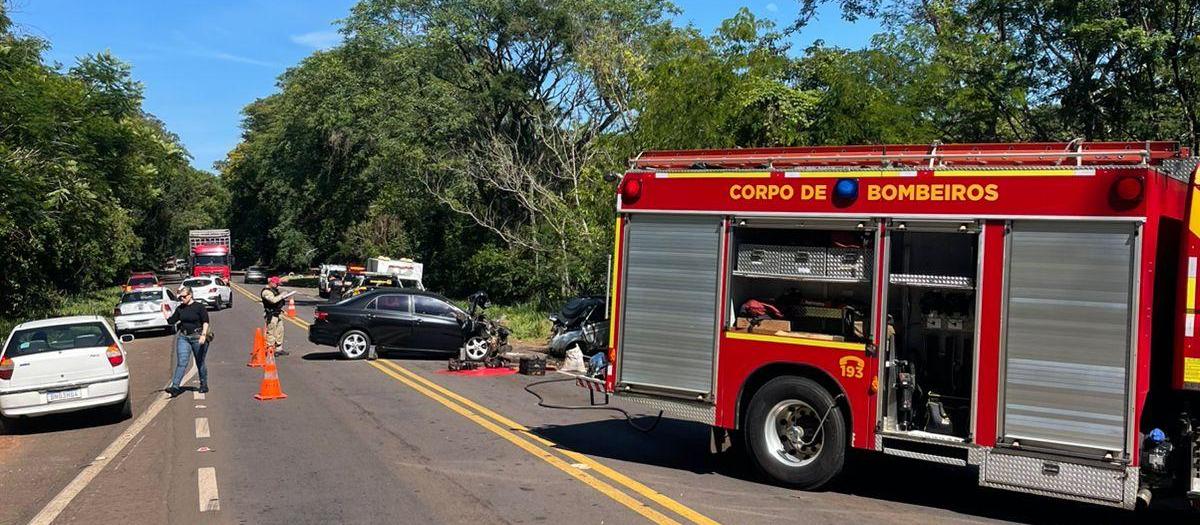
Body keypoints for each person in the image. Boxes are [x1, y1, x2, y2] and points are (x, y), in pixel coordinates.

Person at [164, 285, 210, 396]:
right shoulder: (180, 308)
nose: (182, 299)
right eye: (180, 297)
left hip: (197, 336)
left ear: (190, 295)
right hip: (184, 337)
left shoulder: (199, 307)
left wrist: (203, 335)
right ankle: (175, 387)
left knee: (200, 362)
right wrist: (165, 312)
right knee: (182, 362)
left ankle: (203, 385)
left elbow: (205, 321)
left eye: (184, 296)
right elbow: (171, 321)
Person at [261, 276, 293, 356]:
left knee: (280, 331)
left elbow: (278, 301)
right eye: (276, 284)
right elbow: (273, 300)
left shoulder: (274, 290)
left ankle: (279, 349)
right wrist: (282, 295)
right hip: (271, 314)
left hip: (278, 313)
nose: (278, 285)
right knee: (271, 332)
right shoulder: (266, 292)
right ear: (271, 283)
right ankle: (270, 349)